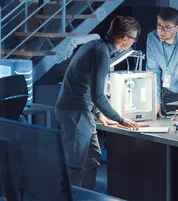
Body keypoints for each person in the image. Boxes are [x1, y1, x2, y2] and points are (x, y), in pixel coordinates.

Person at [55, 16, 141, 190]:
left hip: (82, 111)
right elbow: (98, 95)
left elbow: (87, 86)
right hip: (75, 112)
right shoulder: (100, 53)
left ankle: (89, 199)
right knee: (76, 164)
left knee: (92, 158)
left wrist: (100, 114)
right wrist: (120, 119)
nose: (134, 42)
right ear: (125, 39)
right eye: (134, 38)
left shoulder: (95, 45)